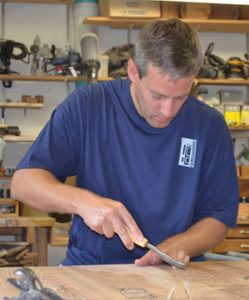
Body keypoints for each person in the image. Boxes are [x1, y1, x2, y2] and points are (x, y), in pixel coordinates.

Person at [11, 18, 239, 267]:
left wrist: (182, 244)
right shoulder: (87, 107)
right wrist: (83, 202)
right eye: (157, 96)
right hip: (93, 269)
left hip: (172, 273)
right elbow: (24, 183)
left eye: (181, 97)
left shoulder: (209, 126)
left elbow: (220, 216)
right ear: (133, 71)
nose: (168, 111)